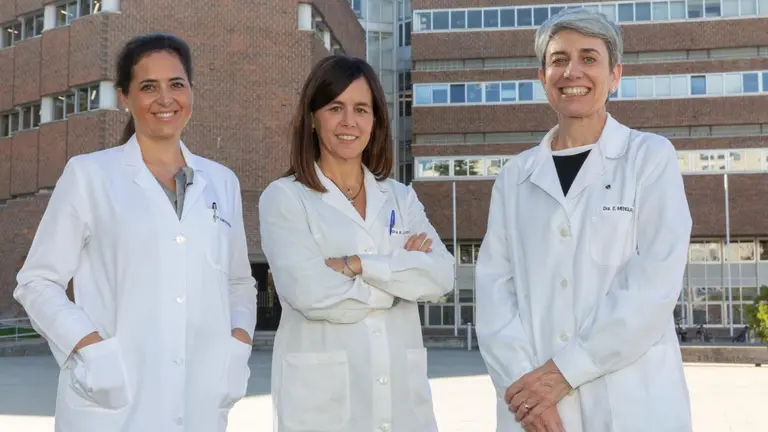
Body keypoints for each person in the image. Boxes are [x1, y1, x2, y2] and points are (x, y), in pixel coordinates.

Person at [14, 33, 257, 432]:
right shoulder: (89, 175)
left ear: (191, 91)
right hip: (113, 399)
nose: (165, 99)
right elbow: (37, 281)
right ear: (124, 97)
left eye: (176, 84)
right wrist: (91, 350)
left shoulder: (222, 182)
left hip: (200, 397)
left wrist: (238, 345)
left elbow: (239, 282)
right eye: (148, 87)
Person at [474, 8, 693, 432]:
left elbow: (654, 283)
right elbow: (495, 292)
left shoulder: (649, 158)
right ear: (543, 78)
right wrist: (528, 394)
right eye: (559, 59)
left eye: (589, 58)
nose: (572, 71)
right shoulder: (515, 177)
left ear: (615, 76)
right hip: (538, 412)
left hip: (633, 404)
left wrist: (565, 371)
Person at [259, 55, 455, 432]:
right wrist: (398, 285)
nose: (349, 121)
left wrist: (359, 265)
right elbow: (310, 293)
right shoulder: (284, 198)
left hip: (404, 409)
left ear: (375, 120)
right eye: (335, 108)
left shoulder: (400, 197)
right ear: (313, 118)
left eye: (361, 109)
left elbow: (442, 277)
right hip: (322, 411)